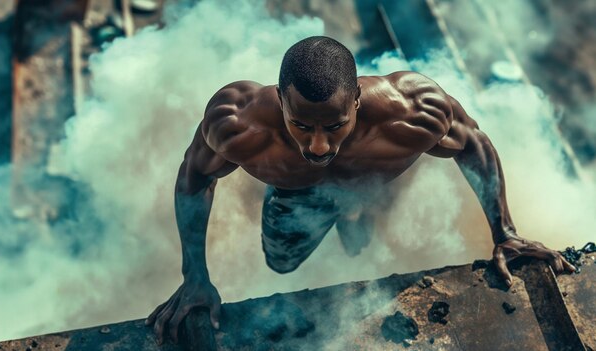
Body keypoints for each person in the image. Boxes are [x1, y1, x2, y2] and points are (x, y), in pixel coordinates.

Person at [145, 36, 575, 344]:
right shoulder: (239, 125)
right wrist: (195, 277)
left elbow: (473, 144)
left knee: (358, 243)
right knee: (280, 265)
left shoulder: (413, 111)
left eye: (334, 126)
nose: (318, 146)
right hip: (296, 200)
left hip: (372, 188)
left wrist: (505, 233)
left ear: (356, 102)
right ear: (280, 100)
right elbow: (194, 177)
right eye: (301, 125)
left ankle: (358, 214)